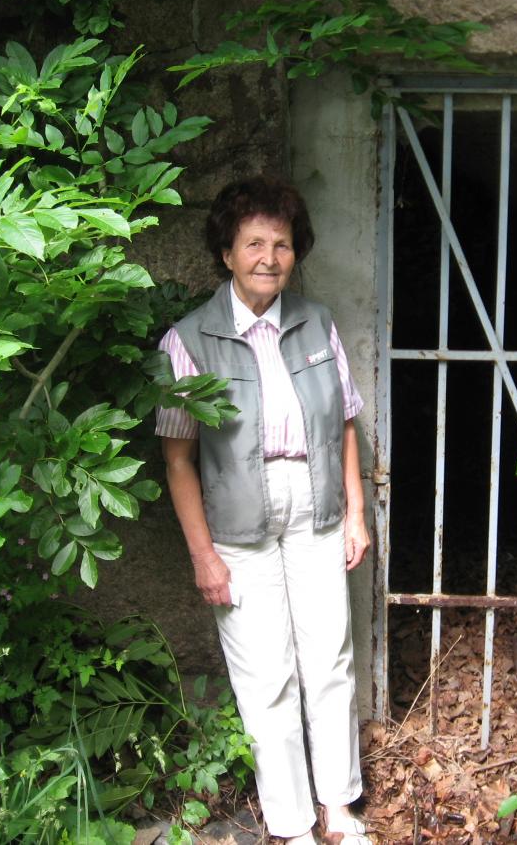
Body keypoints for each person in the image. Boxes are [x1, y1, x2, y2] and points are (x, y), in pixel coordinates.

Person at [156, 174, 372, 845]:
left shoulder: (316, 323)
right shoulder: (189, 341)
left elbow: (343, 425)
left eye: (281, 245)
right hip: (239, 529)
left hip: (315, 511)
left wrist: (357, 514)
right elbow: (179, 459)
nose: (268, 259)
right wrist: (203, 556)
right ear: (226, 252)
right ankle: (292, 821)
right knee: (266, 676)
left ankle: (339, 807)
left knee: (329, 661)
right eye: (253, 243)